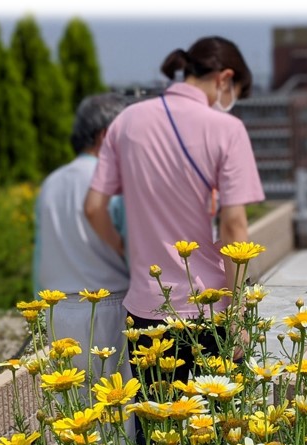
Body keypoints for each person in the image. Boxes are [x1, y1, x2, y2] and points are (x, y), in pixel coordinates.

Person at [84, 36, 265, 394]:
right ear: (225, 78)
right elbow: (234, 225)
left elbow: (93, 208)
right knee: (212, 435)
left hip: (144, 311)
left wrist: (127, 254)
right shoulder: (227, 130)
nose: (227, 103)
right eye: (235, 92)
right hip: (207, 310)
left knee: (154, 433)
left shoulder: (127, 121)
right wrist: (238, 312)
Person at [34, 92, 132, 374]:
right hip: (108, 307)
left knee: (73, 407)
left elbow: (40, 255)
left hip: (58, 311)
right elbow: (133, 251)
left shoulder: (52, 182)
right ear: (105, 136)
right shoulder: (113, 182)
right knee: (116, 405)